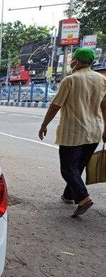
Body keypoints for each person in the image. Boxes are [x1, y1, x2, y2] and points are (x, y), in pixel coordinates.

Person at [38, 47, 106, 217]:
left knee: (67, 169)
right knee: (78, 166)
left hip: (73, 132)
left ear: (76, 61)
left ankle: (83, 198)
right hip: (94, 131)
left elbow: (55, 106)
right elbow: (104, 106)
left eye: (72, 60)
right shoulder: (102, 80)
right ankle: (68, 195)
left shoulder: (70, 80)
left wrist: (44, 125)